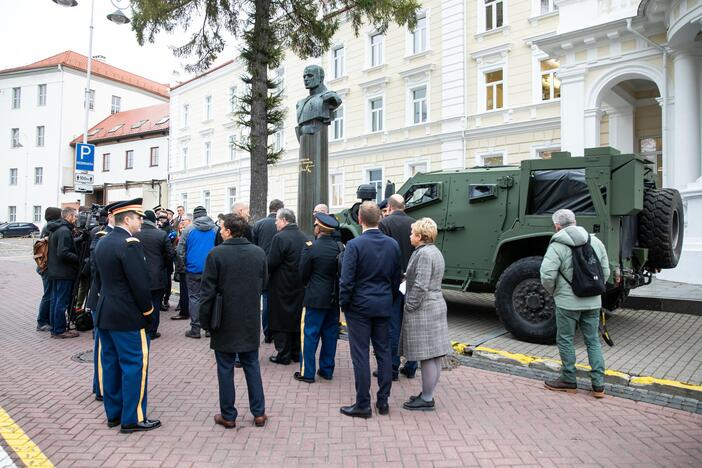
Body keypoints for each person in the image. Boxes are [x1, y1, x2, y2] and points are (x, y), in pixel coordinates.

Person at [93, 198, 161, 433]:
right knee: (133, 366)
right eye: (138, 218)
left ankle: (114, 414)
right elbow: (140, 285)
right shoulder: (129, 244)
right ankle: (133, 418)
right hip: (127, 315)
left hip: (105, 311)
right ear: (128, 219)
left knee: (110, 364)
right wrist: (148, 311)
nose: (141, 223)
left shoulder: (103, 240)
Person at [200, 214, 268, 428]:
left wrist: (204, 320)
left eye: (221, 227)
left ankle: (228, 415)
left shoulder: (216, 254)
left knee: (225, 367)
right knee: (251, 365)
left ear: (229, 231)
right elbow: (264, 283)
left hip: (224, 317)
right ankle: (259, 413)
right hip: (249, 316)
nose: (219, 230)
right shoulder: (258, 253)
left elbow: (207, 292)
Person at [339, 201, 401, 418]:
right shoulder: (392, 245)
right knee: (383, 352)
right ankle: (383, 402)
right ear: (380, 218)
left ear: (359, 219)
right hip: (383, 304)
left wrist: (344, 304)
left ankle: (363, 403)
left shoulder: (355, 245)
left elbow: (346, 280)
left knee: (360, 355)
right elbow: (396, 278)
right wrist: (389, 299)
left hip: (359, 307)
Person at [540, 209, 610, 398]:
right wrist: (595, 290)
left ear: (556, 226)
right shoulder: (595, 241)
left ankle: (569, 380)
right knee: (593, 341)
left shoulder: (557, 245)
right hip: (593, 302)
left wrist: (555, 291)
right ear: (575, 221)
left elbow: (547, 275)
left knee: (565, 339)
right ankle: (598, 385)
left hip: (567, 303)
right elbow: (605, 271)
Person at [400, 218, 451, 411]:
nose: (410, 236)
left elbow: (421, 285)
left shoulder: (423, 255)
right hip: (435, 304)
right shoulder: (434, 251)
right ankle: (427, 394)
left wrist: (410, 306)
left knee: (428, 356)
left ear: (420, 236)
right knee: (434, 355)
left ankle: (427, 398)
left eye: (412, 233)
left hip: (424, 309)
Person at [295, 212, 342, 383]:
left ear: (319, 228)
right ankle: (327, 370)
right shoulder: (339, 248)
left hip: (315, 297)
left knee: (309, 334)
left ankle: (307, 372)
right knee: (330, 335)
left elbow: (302, 274)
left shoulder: (310, 247)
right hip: (333, 297)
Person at [379, 194, 418, 380]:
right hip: (412, 281)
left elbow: (384, 254)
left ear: (389, 207)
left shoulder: (385, 224)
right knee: (410, 325)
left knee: (393, 326)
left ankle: (392, 368)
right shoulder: (415, 223)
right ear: (404, 206)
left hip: (393, 282)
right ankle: (411, 366)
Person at [267, 208, 308, 364]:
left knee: (280, 318)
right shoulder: (304, 237)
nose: (276, 223)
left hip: (281, 285)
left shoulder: (280, 238)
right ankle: (296, 353)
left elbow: (271, 262)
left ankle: (283, 354)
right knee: (297, 318)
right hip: (299, 285)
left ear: (284, 220)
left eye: (277, 220)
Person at [177, 206, 217, 338]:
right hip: (211, 270)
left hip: (193, 269)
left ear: (194, 216)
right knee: (211, 297)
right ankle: (209, 328)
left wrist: (183, 266)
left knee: (194, 298)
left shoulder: (188, 230)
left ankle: (195, 328)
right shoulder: (215, 229)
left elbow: (180, 250)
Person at [135, 210, 175, 339]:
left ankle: (141, 328)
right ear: (154, 220)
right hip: (156, 275)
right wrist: (161, 265)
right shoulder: (161, 234)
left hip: (138, 275)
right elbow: (170, 254)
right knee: (155, 303)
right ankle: (152, 330)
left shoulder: (135, 234)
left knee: (139, 303)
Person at [253, 199, 285, 343]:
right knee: (279, 301)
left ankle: (267, 333)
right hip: (280, 269)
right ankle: (278, 330)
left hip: (262, 266)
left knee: (265, 300)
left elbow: (253, 246)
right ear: (280, 210)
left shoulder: (259, 224)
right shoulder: (284, 225)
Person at [46, 207, 81, 339]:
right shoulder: (65, 230)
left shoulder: (55, 229)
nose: (76, 219)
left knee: (56, 300)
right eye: (75, 217)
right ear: (69, 217)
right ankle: (59, 330)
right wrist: (78, 258)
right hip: (64, 272)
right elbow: (63, 252)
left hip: (55, 270)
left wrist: (76, 240)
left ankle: (55, 328)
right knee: (61, 301)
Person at [36, 207, 62, 332]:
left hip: (45, 266)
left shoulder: (48, 226)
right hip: (46, 266)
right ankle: (41, 322)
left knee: (50, 293)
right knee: (48, 294)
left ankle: (46, 320)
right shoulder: (50, 227)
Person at [171, 216, 192, 321]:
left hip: (185, 266)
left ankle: (185, 312)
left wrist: (183, 265)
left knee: (185, 291)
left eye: (184, 220)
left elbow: (180, 251)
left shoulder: (187, 232)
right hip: (192, 266)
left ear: (190, 221)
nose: (182, 222)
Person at [157, 211, 177, 311]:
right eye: (159, 218)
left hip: (166, 260)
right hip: (160, 260)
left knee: (167, 281)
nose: (161, 220)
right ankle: (161, 300)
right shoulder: (158, 228)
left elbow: (170, 242)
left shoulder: (170, 229)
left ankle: (166, 299)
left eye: (163, 218)